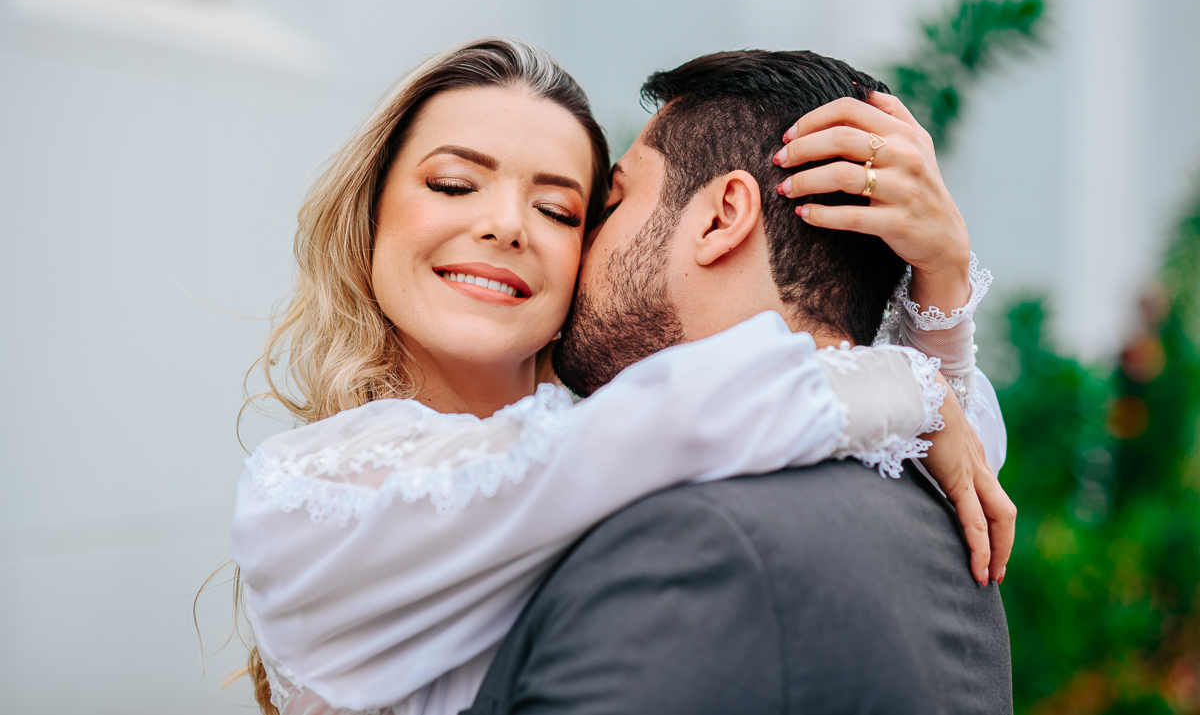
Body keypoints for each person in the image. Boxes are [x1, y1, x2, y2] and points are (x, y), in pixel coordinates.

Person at [225, 39, 1011, 715]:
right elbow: (657, 426)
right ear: (372, 213)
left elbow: (955, 472)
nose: (504, 225)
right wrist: (913, 383)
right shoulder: (305, 493)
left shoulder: (631, 440)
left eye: (566, 212)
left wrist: (939, 283)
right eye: (454, 184)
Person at [462, 49, 1014, 715]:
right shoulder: (939, 515)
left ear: (723, 216)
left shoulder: (691, 537)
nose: (580, 248)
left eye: (612, 201)